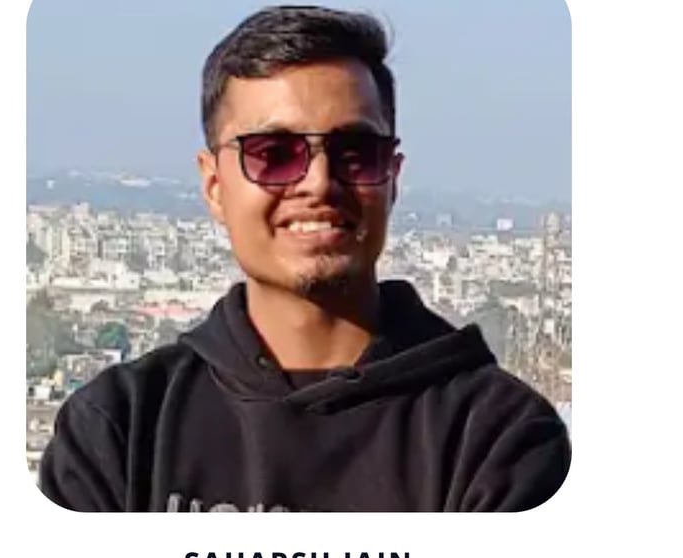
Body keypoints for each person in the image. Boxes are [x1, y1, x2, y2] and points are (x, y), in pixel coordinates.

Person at [39, 4, 571, 512]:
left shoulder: (497, 439)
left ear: (392, 178)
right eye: (273, 155)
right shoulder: (120, 428)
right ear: (214, 185)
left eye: (355, 154)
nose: (318, 182)